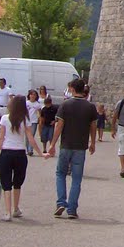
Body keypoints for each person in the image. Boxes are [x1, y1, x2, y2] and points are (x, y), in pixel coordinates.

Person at [47, 78, 98, 219]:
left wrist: (52, 144)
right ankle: (72, 209)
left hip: (66, 145)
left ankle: (61, 202)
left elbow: (59, 126)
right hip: (80, 147)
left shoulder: (65, 105)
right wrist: (92, 143)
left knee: (60, 174)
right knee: (76, 178)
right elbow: (93, 127)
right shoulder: (90, 107)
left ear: (73, 89)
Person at [0, 95, 46, 222]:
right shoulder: (25, 120)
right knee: (17, 182)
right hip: (20, 154)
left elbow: (1, 139)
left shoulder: (5, 119)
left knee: (6, 184)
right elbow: (30, 139)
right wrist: (40, 153)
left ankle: (7, 212)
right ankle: (16, 208)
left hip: (6, 153)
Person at [25, 90, 41, 156]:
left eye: (34, 95)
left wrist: (39, 120)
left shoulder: (37, 104)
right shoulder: (26, 103)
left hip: (34, 121)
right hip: (26, 121)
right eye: (31, 94)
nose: (33, 96)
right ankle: (27, 149)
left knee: (32, 135)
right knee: (27, 136)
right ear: (29, 95)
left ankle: (30, 150)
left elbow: (40, 113)